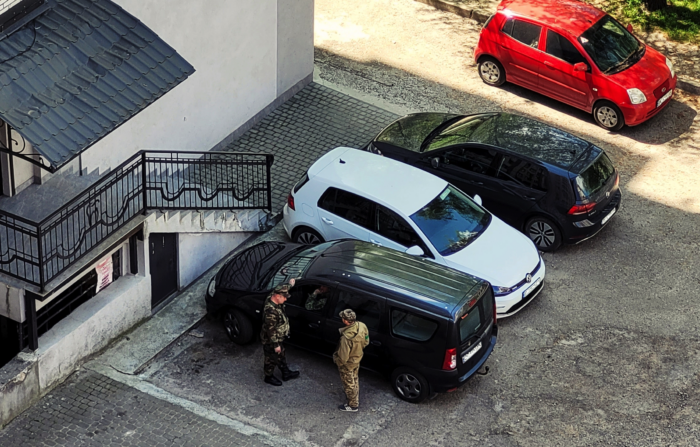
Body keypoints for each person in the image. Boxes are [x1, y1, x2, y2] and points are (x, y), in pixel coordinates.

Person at [260, 278, 300, 386]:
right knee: (271, 358)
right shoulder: (271, 313)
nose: (285, 300)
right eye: (284, 297)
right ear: (278, 296)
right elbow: (271, 330)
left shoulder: (273, 296)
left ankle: (286, 373)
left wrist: (290, 285)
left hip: (277, 337)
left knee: (280, 355)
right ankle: (268, 376)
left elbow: (279, 289)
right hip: (271, 340)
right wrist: (276, 344)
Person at [333, 309, 369, 412]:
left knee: (349, 383)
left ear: (345, 321)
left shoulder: (346, 338)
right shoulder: (362, 326)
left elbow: (343, 357)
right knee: (354, 379)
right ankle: (354, 398)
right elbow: (366, 341)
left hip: (348, 363)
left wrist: (337, 361)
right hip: (357, 358)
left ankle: (353, 405)